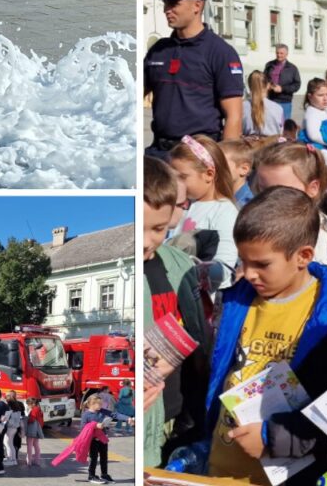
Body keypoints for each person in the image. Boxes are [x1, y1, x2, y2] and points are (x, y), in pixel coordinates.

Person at [204, 187, 327, 486]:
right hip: (219, 469)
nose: (249, 273)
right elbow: (215, 378)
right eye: (244, 261)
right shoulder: (235, 302)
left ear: (303, 256)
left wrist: (272, 438)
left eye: (262, 264)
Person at [142, 157, 212, 466]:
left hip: (177, 417)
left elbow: (199, 340)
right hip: (143, 421)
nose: (146, 241)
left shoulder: (180, 266)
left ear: (172, 216)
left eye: (157, 229)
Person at [143, 0, 244, 156]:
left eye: (174, 3)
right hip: (159, 151)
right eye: (165, 3)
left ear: (197, 6)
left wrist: (226, 164)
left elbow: (234, 116)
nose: (167, 10)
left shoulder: (220, 52)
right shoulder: (159, 50)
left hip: (198, 155)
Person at [252, 141, 327, 296]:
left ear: (313, 188)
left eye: (282, 190)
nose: (270, 198)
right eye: (263, 189)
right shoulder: (255, 229)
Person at [167, 134, 239, 283]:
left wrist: (189, 274)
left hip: (201, 298)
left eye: (182, 177)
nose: (175, 183)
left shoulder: (225, 212)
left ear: (209, 174)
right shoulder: (183, 204)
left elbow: (224, 265)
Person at [81, 393, 128, 484]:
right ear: (92, 404)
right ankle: (91, 476)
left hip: (103, 438)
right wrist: (95, 425)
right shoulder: (86, 415)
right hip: (93, 440)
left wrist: (128, 418)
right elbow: (83, 427)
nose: (101, 406)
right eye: (98, 404)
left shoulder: (102, 411)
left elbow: (115, 415)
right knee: (93, 458)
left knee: (104, 457)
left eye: (101, 404)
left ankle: (104, 474)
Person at [263, 44, 301, 120]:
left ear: (287, 54)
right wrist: (267, 85)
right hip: (271, 100)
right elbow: (264, 79)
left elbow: (297, 85)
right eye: (277, 53)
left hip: (285, 101)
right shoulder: (269, 65)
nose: (279, 55)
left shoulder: (292, 68)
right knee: (270, 122)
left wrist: (282, 88)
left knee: (284, 124)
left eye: (281, 53)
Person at [241, 70, 284, 137]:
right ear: (268, 86)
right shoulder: (278, 108)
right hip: (273, 145)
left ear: (249, 86)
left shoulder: (242, 106)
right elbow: (281, 132)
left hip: (250, 145)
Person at [24, 397, 44, 467]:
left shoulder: (34, 410)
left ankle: (29, 461)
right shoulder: (39, 409)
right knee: (36, 446)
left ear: (32, 404)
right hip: (37, 430)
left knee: (29, 446)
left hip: (32, 431)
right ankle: (37, 461)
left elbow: (32, 419)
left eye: (28, 404)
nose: (28, 406)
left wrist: (27, 419)